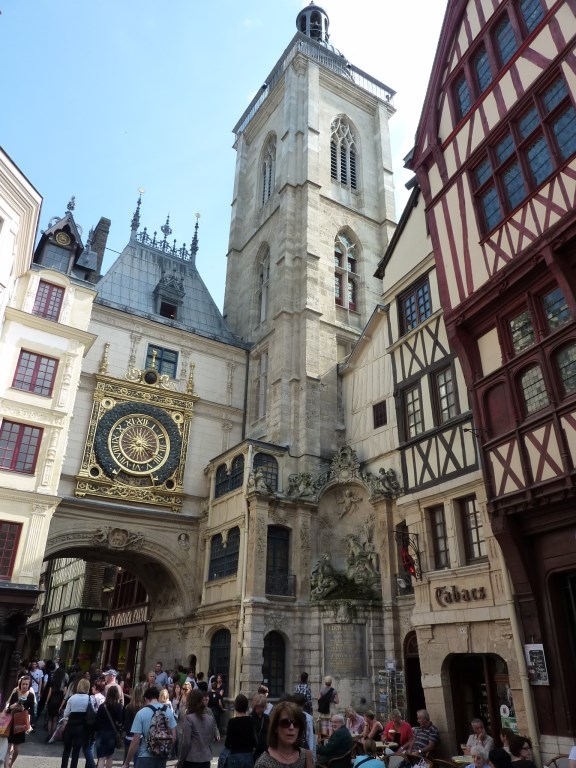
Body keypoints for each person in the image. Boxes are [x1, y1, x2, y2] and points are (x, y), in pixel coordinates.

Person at [120, 685, 176, 768]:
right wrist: (166, 750)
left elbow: (135, 741)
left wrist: (126, 762)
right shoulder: (168, 711)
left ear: (146, 698)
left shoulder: (141, 713)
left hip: (145, 756)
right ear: (158, 697)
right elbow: (174, 737)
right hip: (162, 756)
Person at [254, 700, 314, 768]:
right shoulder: (262, 763)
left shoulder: (306, 757)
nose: (291, 727)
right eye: (285, 723)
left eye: (296, 723)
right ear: (275, 727)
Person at [179, 688, 220, 768]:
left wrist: (181, 760)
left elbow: (186, 743)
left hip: (191, 760)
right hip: (205, 759)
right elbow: (210, 739)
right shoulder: (210, 718)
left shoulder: (189, 718)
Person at [60, 677, 95, 768]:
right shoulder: (89, 698)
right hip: (82, 727)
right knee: (76, 751)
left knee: (66, 750)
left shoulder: (72, 698)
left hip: (71, 726)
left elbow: (66, 714)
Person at [4, 675, 35, 768]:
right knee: (8, 747)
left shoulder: (30, 695)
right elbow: (8, 709)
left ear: (29, 685)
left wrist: (24, 709)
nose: (25, 686)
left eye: (26, 684)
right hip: (11, 722)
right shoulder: (15, 694)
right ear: (20, 684)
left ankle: (10, 764)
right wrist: (11, 707)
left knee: (16, 749)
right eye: (23, 684)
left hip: (21, 723)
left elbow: (33, 711)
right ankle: (6, 766)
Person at [94, 685, 124, 768]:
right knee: (109, 756)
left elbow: (97, 721)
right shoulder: (119, 707)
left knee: (101, 757)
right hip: (112, 734)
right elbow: (120, 722)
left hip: (101, 733)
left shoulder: (102, 706)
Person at [225, 693, 257, 768]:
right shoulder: (251, 721)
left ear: (235, 707)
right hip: (248, 754)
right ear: (246, 707)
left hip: (235, 755)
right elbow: (254, 740)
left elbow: (228, 742)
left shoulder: (231, 722)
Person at [123, 684, 145, 766]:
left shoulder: (129, 707)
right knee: (138, 761)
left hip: (129, 736)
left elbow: (126, 724)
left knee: (126, 760)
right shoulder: (144, 707)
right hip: (140, 736)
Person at [251, 693, 271, 761]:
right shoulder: (250, 718)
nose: (259, 708)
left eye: (261, 706)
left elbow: (269, 733)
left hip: (264, 750)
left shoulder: (266, 718)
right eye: (258, 706)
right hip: (253, 750)